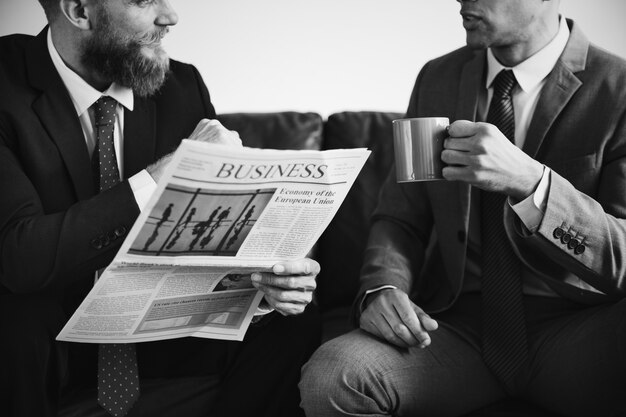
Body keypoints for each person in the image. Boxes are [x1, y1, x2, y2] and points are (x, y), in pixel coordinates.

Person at [300, 0, 626, 416]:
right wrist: (382, 288)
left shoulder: (618, 87)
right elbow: (401, 216)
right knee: (334, 376)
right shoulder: (438, 78)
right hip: (456, 328)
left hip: (576, 329)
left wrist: (532, 183)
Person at [0, 1, 320, 416]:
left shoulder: (182, 85)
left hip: (162, 325)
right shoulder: (5, 84)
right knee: (16, 319)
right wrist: (160, 177)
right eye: (144, 1)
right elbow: (18, 255)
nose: (170, 17)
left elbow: (223, 226)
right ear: (80, 10)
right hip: (56, 337)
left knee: (293, 314)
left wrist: (267, 278)